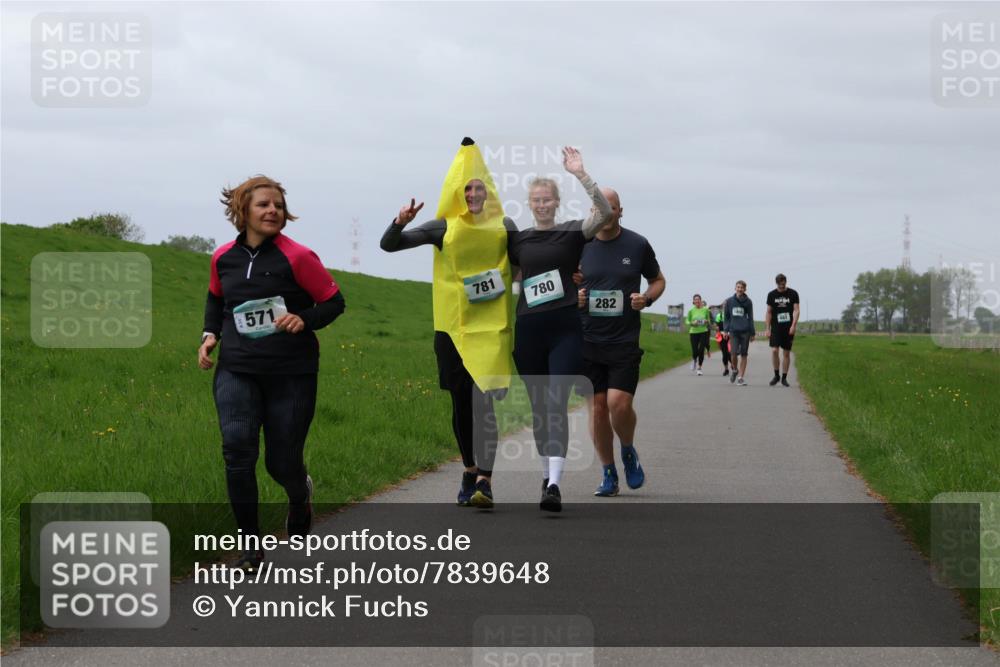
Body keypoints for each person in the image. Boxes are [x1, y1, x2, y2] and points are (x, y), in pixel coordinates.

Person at [200, 175, 345, 571]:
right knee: (237, 451)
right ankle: (251, 548)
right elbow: (216, 299)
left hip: (291, 373)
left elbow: (334, 302)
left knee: (281, 463)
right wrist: (210, 335)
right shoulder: (223, 257)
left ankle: (300, 498)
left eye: (278, 206)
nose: (272, 211)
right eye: (264, 204)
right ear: (243, 210)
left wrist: (305, 318)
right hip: (237, 369)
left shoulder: (297, 257)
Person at [380, 138, 516, 509]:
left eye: (480, 188)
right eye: (467, 188)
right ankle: (469, 469)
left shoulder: (504, 225)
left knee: (484, 402)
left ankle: (485, 481)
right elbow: (388, 246)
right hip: (452, 330)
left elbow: (528, 259)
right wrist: (399, 222)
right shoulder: (442, 227)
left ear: (489, 193)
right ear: (458, 192)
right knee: (461, 403)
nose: (473, 194)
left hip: (490, 329)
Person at [509, 147, 612, 512]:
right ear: (529, 203)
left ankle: (555, 484)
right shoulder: (517, 240)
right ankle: (545, 473)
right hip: (529, 332)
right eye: (536, 199)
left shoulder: (572, 232)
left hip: (565, 329)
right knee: (540, 410)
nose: (541, 204)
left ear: (556, 202)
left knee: (555, 403)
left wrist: (581, 174)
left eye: (547, 199)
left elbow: (605, 212)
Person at [575, 188, 665, 496]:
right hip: (586, 339)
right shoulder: (580, 244)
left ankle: (627, 449)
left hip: (623, 340)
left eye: (612, 208)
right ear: (593, 211)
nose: (607, 214)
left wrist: (647, 298)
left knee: (618, 404)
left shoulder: (637, 244)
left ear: (620, 211)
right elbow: (563, 280)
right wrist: (576, 297)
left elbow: (658, 280)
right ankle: (608, 472)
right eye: (601, 208)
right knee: (598, 409)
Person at [764, 273, 800, 387]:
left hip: (788, 327)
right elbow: (769, 312)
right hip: (776, 327)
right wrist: (767, 329)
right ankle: (776, 375)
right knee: (774, 350)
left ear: (786, 282)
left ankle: (784, 377)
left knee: (786, 353)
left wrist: (793, 325)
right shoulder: (771, 295)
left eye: (783, 284)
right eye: (780, 285)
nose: (782, 286)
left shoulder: (793, 293)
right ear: (776, 283)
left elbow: (796, 310)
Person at [722, 280, 755, 386]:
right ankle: (735, 370)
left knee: (744, 354)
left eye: (742, 287)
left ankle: (740, 377)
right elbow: (726, 317)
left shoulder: (748, 302)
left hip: (745, 331)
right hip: (733, 331)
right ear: (735, 288)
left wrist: (752, 333)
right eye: (738, 287)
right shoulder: (729, 301)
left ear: (745, 289)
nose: (740, 289)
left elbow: (750, 318)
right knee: (733, 353)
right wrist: (726, 330)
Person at [685, 294, 712, 376]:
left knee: (701, 350)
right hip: (693, 332)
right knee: (695, 351)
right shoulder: (691, 311)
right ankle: (694, 360)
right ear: (693, 301)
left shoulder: (706, 310)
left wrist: (707, 322)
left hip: (703, 331)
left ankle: (699, 368)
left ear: (700, 300)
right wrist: (692, 323)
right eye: (695, 299)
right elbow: (687, 321)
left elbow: (709, 320)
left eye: (698, 299)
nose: (697, 301)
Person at [715, 309, 735, 376]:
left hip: (731, 336)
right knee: (724, 353)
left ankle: (733, 365)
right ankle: (726, 369)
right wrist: (717, 328)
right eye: (724, 306)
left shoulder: (732, 314)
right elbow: (716, 326)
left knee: (730, 352)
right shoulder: (719, 316)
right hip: (722, 336)